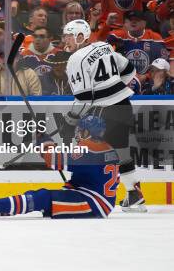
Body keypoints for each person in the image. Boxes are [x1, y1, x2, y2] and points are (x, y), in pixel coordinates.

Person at [0, 115, 121, 219]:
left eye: (80, 131)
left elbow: (53, 160)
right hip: (94, 197)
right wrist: (46, 143)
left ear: (87, 131)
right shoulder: (108, 148)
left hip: (93, 204)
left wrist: (44, 142)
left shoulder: (88, 148)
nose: (77, 135)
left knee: (42, 198)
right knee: (38, 195)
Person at [62, 19, 145, 212]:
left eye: (68, 35)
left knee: (89, 150)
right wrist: (113, 86)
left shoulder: (76, 59)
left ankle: (83, 191)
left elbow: (83, 98)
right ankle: (134, 194)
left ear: (80, 36)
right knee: (121, 152)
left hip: (104, 110)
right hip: (124, 104)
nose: (65, 40)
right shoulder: (104, 47)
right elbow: (129, 71)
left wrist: (70, 120)